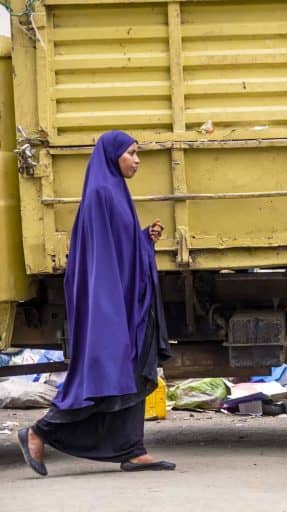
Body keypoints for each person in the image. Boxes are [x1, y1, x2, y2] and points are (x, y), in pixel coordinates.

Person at [17, 130, 174, 475]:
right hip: (113, 304)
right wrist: (110, 313)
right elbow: (101, 263)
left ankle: (132, 449)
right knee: (108, 373)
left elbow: (120, 249)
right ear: (113, 155)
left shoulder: (115, 190)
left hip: (127, 299)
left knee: (134, 370)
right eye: (132, 153)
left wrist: (144, 239)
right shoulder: (102, 194)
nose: (137, 160)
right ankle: (39, 431)